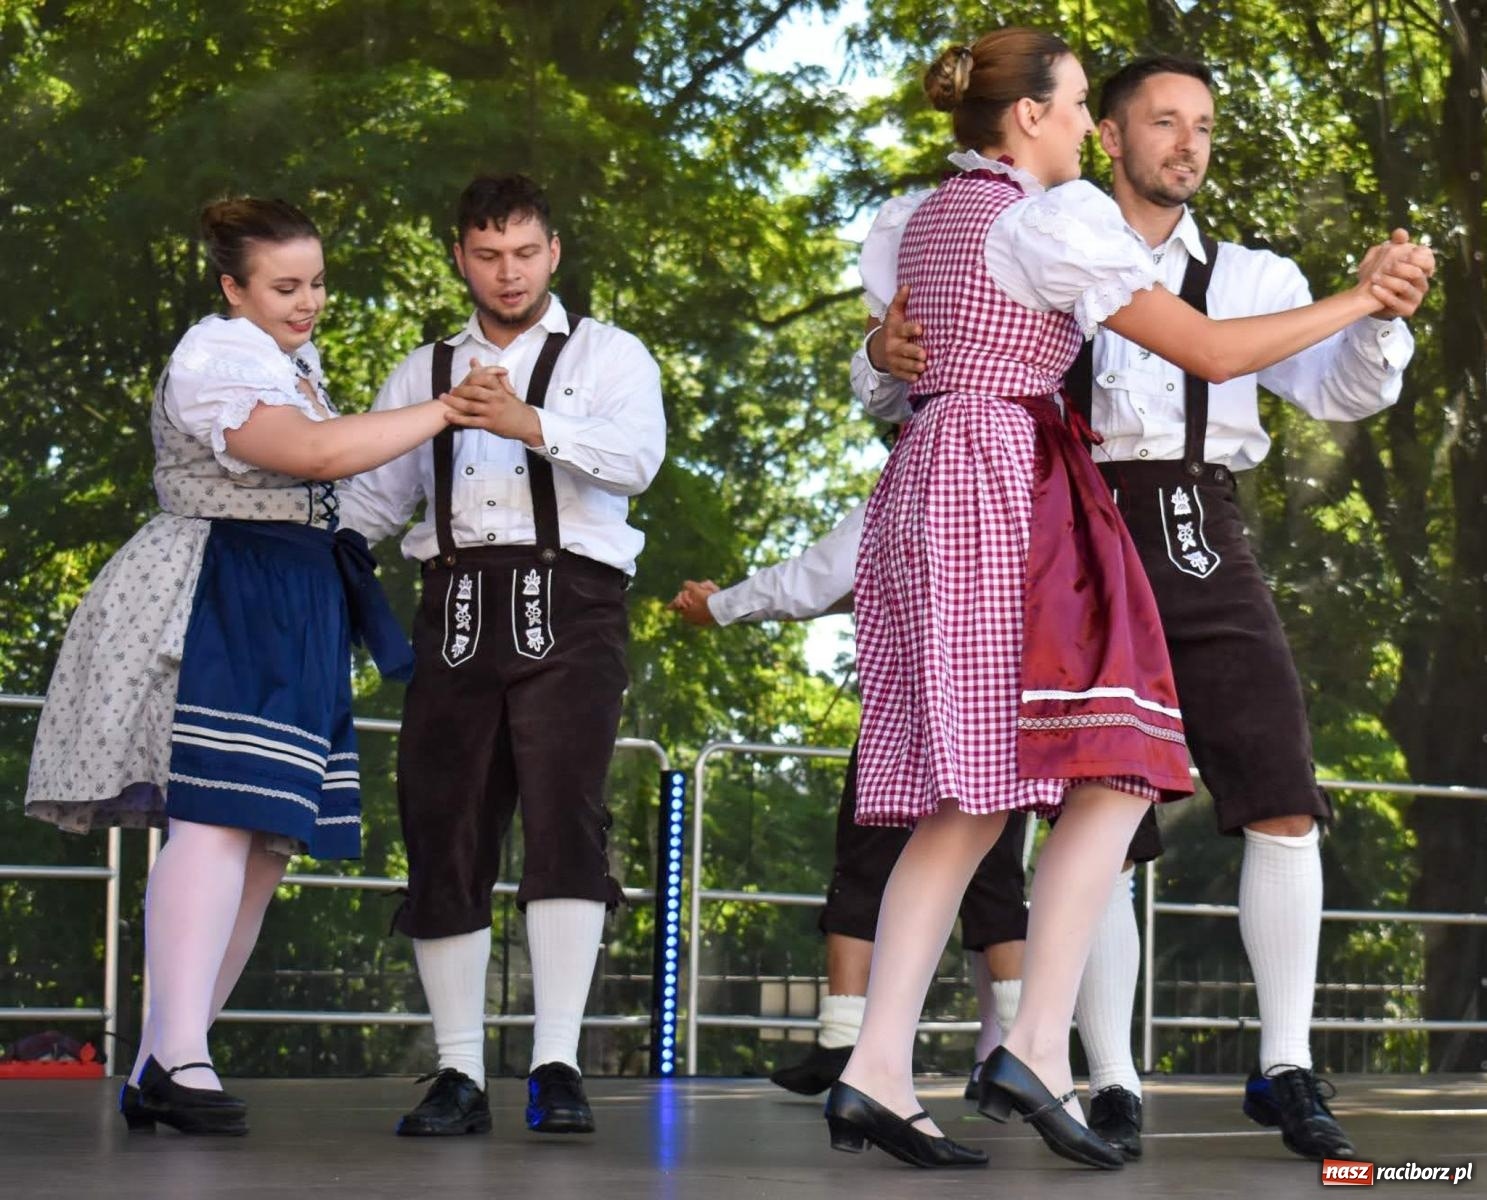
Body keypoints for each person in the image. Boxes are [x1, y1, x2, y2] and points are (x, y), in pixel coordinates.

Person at [823, 28, 1431, 1172]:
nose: (1187, 143)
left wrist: (1370, 312)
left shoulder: (940, 211)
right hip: (1034, 505)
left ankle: (894, 1069)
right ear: (1071, 124)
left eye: (1203, 126)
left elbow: (1327, 383)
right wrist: (877, 348)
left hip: (1007, 502)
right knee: (1086, 779)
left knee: (997, 796)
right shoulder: (1057, 219)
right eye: (1159, 119)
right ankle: (1061, 1058)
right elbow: (1195, 350)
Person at [25, 198, 457, 1134]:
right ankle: (180, 1057)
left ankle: (160, 1059)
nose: (308, 302)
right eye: (285, 286)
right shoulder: (216, 354)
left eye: (316, 282)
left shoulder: (287, 361)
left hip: (292, 599)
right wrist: (447, 406)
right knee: (216, 820)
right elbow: (306, 453)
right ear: (234, 287)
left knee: (260, 845)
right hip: (223, 588)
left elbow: (338, 475)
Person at [338, 174, 665, 1138]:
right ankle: (457, 1073)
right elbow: (368, 502)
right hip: (451, 604)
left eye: (524, 252)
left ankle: (557, 1064)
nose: (508, 272)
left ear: (553, 252)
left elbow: (637, 461)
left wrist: (531, 423)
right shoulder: (422, 368)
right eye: (487, 254)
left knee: (567, 817)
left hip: (576, 599)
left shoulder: (609, 355)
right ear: (459, 257)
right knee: (444, 825)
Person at [668, 512, 1029, 1098]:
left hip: (913, 708)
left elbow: (820, 576)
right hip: (998, 706)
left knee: (868, 865)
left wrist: (722, 605)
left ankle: (844, 1038)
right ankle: (1021, 1050)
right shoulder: (1030, 473)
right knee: (993, 876)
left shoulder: (919, 475)